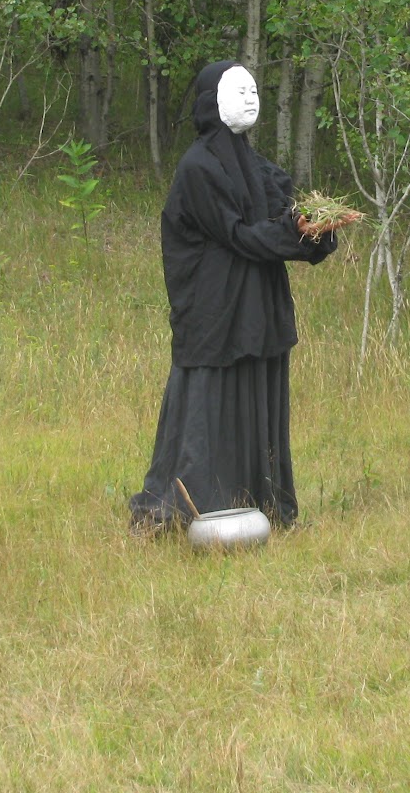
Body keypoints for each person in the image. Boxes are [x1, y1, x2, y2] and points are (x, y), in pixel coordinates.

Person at [130, 61, 350, 530]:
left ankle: (263, 502)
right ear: (212, 101)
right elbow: (240, 235)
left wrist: (316, 230)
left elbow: (280, 217)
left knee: (259, 395)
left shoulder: (258, 167)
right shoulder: (199, 168)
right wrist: (294, 233)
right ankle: (197, 504)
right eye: (239, 91)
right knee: (210, 403)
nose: (251, 99)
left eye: (254, 91)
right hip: (214, 310)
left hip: (257, 306)